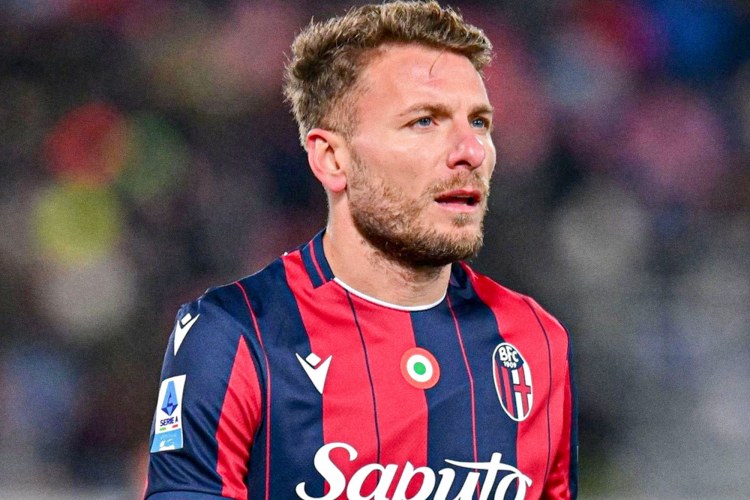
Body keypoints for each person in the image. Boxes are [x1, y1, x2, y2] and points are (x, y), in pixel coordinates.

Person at [145, 1, 578, 499]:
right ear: (332, 158)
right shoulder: (234, 334)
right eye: (425, 121)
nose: (471, 151)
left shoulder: (535, 340)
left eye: (479, 122)